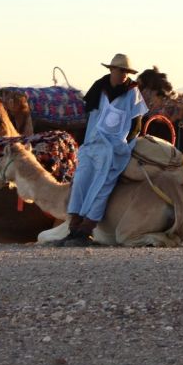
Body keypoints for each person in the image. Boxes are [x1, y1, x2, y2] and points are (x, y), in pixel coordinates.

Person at [55, 53, 148, 247]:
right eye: (120, 70)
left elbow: (136, 125)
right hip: (92, 144)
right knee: (80, 181)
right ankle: (73, 228)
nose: (123, 74)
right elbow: (88, 116)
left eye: (127, 71)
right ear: (111, 70)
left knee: (102, 186)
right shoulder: (99, 88)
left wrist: (123, 144)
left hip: (114, 150)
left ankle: (87, 229)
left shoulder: (132, 92)